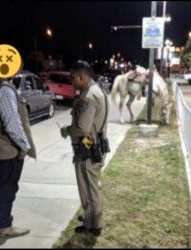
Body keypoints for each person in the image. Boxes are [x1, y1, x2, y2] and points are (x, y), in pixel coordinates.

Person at [0, 72, 37, 238]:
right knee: (7, 188)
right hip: (8, 150)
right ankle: (4, 226)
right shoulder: (3, 89)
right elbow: (12, 123)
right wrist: (24, 146)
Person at [60, 60, 108, 235]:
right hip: (95, 146)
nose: (71, 82)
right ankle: (91, 215)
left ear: (81, 76)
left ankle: (93, 225)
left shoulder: (87, 96)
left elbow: (82, 128)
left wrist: (66, 130)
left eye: (73, 78)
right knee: (92, 186)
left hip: (87, 149)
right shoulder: (97, 90)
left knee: (88, 187)